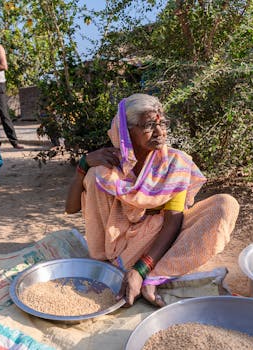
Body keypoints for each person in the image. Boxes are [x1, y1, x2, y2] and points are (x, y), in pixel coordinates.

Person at [65, 93, 240, 307]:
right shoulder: (108, 166)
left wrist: (141, 269)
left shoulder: (175, 163)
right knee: (95, 175)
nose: (160, 132)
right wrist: (83, 166)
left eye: (162, 124)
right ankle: (112, 268)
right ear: (127, 132)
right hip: (119, 250)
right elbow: (71, 208)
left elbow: (173, 222)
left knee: (225, 205)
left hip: (162, 238)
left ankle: (152, 276)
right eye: (149, 125)